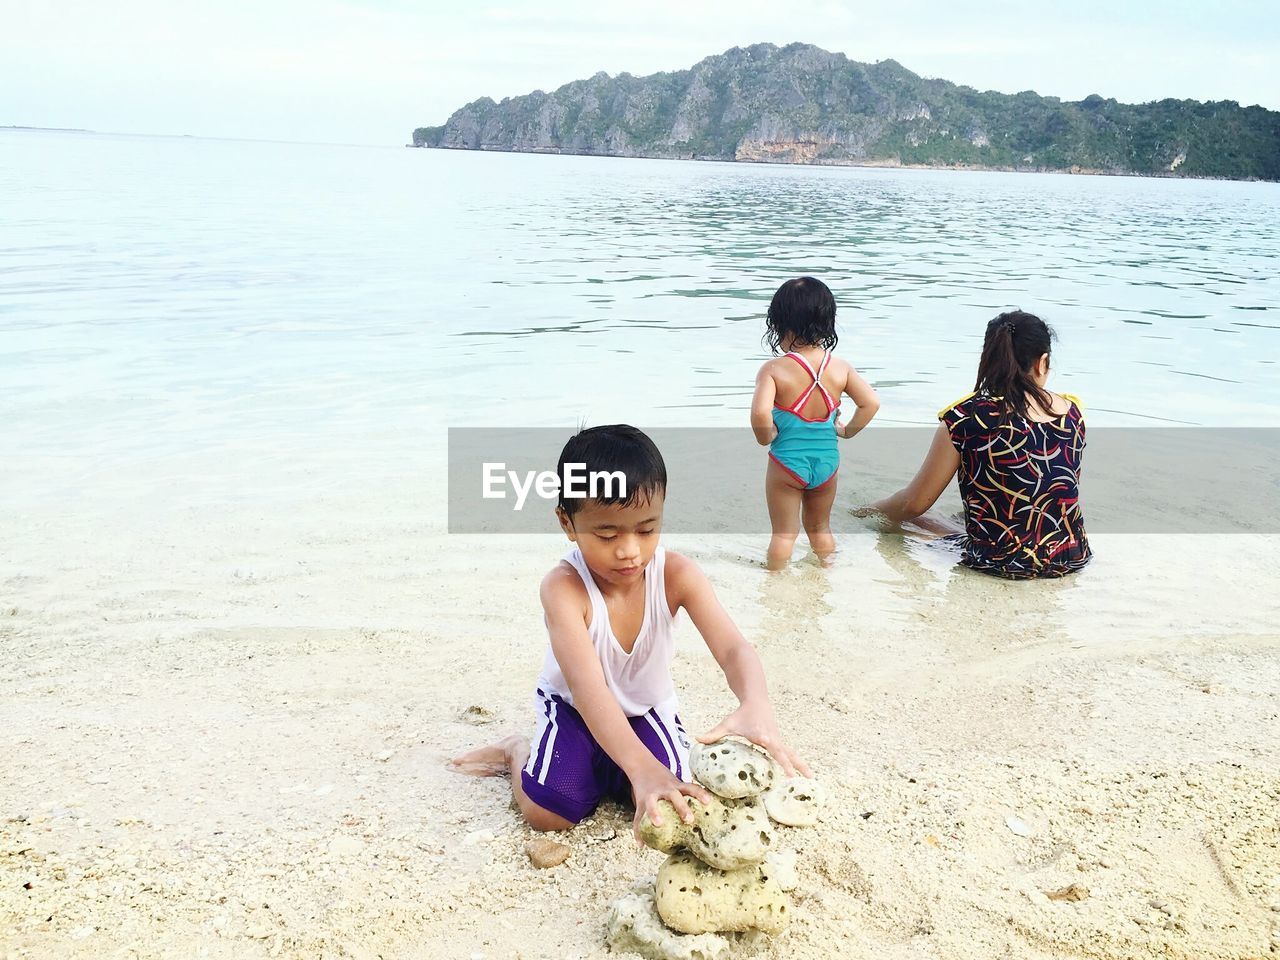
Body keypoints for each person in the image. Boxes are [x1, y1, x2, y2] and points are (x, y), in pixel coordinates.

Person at [451, 425, 809, 836]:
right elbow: (588, 691)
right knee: (549, 815)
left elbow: (733, 649)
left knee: (673, 798)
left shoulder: (677, 574)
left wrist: (756, 700)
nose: (629, 551)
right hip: (575, 710)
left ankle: (618, 770)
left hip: (645, 710)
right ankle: (517, 749)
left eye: (646, 529)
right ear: (567, 523)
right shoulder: (564, 589)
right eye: (606, 533)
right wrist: (639, 768)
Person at [863, 310, 1092, 579]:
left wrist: (870, 510)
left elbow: (914, 503)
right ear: (1042, 363)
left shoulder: (965, 418)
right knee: (964, 516)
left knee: (912, 516)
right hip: (1071, 555)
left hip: (1001, 563)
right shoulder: (1072, 412)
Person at [750, 277, 880, 569]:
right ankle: (827, 571)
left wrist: (767, 435)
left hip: (787, 465)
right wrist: (847, 432)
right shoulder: (840, 368)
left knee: (784, 533)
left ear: (780, 324)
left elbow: (760, 415)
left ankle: (774, 579)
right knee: (820, 529)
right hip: (826, 464)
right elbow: (870, 403)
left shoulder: (774, 369)